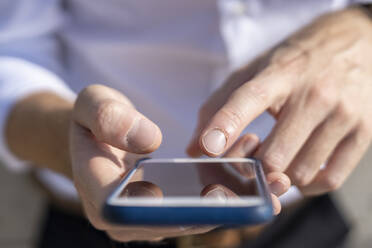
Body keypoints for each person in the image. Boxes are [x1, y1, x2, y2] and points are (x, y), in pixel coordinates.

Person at [0, 0, 371, 247]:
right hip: (88, 215)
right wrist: (63, 138)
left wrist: (360, 30)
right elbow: (12, 49)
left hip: (295, 219)